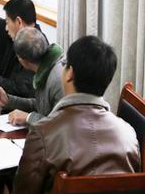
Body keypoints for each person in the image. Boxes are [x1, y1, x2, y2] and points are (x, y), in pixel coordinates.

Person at [15, 36, 141, 193]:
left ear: (70, 73)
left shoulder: (42, 133)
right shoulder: (129, 134)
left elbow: (23, 190)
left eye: (64, 65)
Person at [0, 27, 64, 126]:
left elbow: (61, 125)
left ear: (22, 60)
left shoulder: (58, 79)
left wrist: (28, 118)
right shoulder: (45, 69)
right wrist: (9, 100)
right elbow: (42, 106)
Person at [0, 0, 40, 98]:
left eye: (7, 22)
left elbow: (21, 88)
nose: (6, 28)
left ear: (19, 22)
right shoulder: (15, 37)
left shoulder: (35, 46)